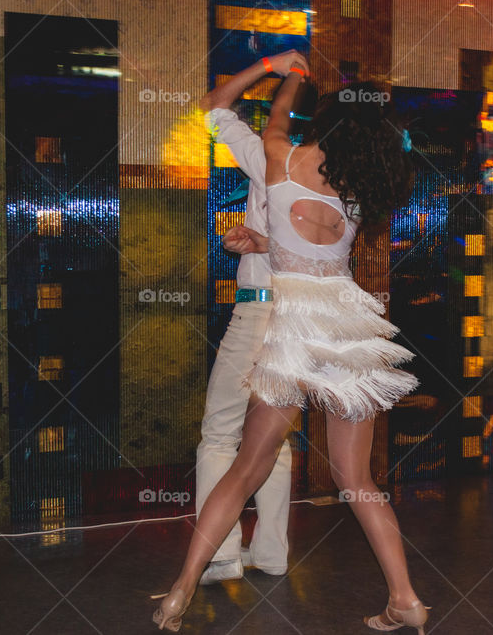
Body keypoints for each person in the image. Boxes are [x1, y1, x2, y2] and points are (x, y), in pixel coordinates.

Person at [153, 52, 428, 634]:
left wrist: (290, 74)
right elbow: (312, 250)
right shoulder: (357, 188)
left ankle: (180, 592)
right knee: (358, 480)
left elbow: (254, 113)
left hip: (295, 325)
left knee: (245, 466)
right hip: (350, 325)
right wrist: (261, 245)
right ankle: (405, 598)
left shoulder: (282, 159)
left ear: (324, 121)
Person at [192, 49, 312, 587]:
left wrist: (270, 64)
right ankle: (271, 554)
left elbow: (215, 105)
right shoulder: (330, 174)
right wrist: (259, 242)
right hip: (305, 318)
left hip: (261, 308)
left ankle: (219, 556)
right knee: (272, 439)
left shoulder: (271, 156)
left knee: (221, 434)